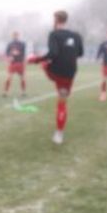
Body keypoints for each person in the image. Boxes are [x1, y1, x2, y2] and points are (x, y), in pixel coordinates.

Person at [28, 10, 84, 144]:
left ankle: (41, 64)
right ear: (66, 20)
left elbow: (53, 53)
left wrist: (36, 59)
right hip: (70, 73)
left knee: (44, 63)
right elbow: (80, 53)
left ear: (56, 20)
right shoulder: (76, 35)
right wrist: (68, 55)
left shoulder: (53, 34)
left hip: (56, 71)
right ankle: (59, 134)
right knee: (62, 102)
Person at [1, 31, 27, 98]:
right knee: (9, 78)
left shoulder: (22, 44)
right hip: (12, 63)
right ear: (12, 36)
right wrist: (9, 57)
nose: (15, 36)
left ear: (18, 36)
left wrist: (19, 55)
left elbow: (23, 54)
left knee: (22, 78)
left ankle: (23, 92)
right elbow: (7, 53)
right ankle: (5, 92)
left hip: (19, 62)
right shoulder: (10, 44)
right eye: (14, 35)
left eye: (16, 35)